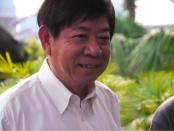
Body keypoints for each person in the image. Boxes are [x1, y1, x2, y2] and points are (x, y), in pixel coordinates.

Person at [0, 0, 121, 130]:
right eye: (80, 36)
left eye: (103, 37)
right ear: (46, 39)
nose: (94, 50)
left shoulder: (108, 100)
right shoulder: (10, 112)